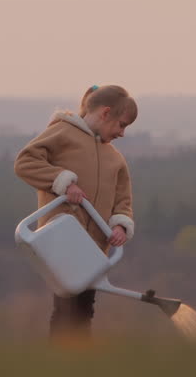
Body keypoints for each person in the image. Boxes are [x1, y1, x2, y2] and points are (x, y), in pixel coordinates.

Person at [14, 84, 137, 344]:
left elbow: (123, 199)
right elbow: (25, 162)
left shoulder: (115, 158)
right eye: (121, 125)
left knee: (82, 310)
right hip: (62, 241)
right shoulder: (62, 133)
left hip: (94, 249)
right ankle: (66, 363)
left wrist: (120, 225)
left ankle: (75, 363)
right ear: (105, 113)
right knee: (68, 308)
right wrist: (61, 181)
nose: (122, 133)